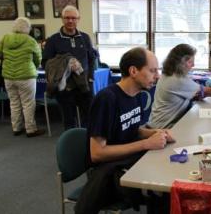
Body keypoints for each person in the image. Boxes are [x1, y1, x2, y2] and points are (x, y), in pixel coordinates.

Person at [75, 47, 175, 214]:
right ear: (133, 71)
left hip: (126, 161)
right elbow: (97, 153)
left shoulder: (136, 94)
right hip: (106, 174)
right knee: (165, 190)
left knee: (169, 175)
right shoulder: (107, 99)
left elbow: (132, 130)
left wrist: (156, 132)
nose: (157, 76)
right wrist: (146, 144)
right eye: (152, 70)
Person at [41, 5, 95, 129]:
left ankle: (89, 144)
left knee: (90, 118)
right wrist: (64, 64)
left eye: (73, 18)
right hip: (65, 87)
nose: (70, 21)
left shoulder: (85, 38)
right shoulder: (53, 40)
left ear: (78, 19)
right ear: (62, 19)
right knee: (69, 121)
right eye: (67, 18)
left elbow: (92, 58)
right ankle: (72, 145)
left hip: (84, 85)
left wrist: (90, 77)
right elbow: (45, 63)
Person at [0, 17, 45, 137]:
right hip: (26, 76)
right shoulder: (31, 41)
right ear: (28, 28)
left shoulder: (5, 38)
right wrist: (34, 65)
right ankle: (30, 129)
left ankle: (17, 128)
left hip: (8, 76)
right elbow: (38, 58)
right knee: (28, 103)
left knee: (14, 102)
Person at [149, 44, 211, 129]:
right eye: (190, 62)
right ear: (181, 62)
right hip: (164, 128)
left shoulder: (169, 74)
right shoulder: (177, 79)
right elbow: (209, 91)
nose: (193, 65)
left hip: (157, 124)